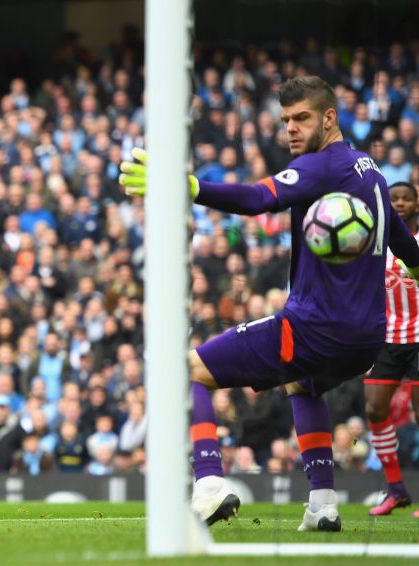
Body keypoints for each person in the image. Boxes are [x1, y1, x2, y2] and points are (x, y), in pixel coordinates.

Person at [120, 76, 419, 531]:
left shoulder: (323, 167)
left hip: (315, 328)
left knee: (187, 370)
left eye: (301, 118)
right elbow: (408, 250)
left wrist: (189, 186)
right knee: (302, 387)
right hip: (366, 340)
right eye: (285, 120)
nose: (291, 129)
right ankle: (322, 503)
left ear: (329, 118)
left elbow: (260, 198)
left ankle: (208, 485)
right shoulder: (372, 174)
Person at [364, 181, 419, 518]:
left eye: (405, 199)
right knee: (373, 410)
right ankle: (396, 490)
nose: (399, 204)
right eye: (393, 199)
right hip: (389, 339)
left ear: (416, 203)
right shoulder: (376, 243)